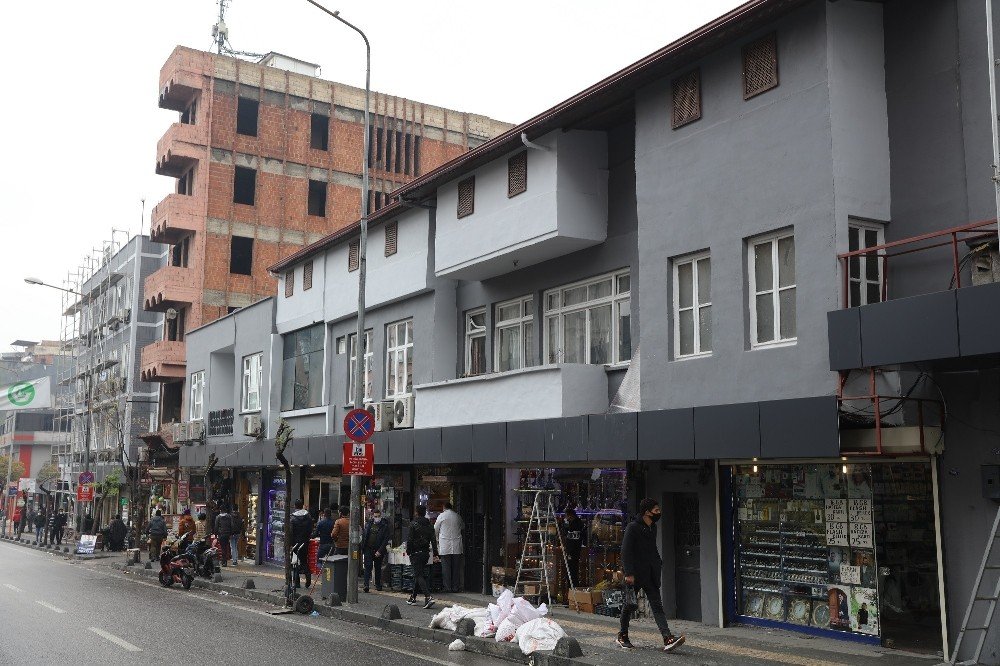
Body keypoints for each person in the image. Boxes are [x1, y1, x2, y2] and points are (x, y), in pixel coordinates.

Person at [618, 498, 684, 652]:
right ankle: (623, 635)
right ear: (647, 512)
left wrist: (657, 563)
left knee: (657, 606)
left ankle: (667, 638)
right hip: (635, 574)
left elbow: (651, 549)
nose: (659, 513)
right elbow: (625, 551)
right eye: (656, 511)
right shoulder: (632, 528)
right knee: (628, 606)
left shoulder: (652, 527)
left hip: (651, 573)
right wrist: (629, 573)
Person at [405, 505, 438, 609]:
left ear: (416, 512)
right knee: (418, 574)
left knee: (418, 575)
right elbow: (433, 540)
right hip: (425, 553)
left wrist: (408, 551)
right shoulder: (430, 525)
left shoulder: (413, 524)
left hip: (416, 553)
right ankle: (413, 597)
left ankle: (428, 597)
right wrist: (436, 554)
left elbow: (409, 540)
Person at [434, 503, 463, 593]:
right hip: (456, 545)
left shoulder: (441, 516)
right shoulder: (457, 516)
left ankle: (447, 587)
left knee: (446, 568)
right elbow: (462, 526)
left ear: (444, 507)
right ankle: (455, 587)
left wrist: (436, 539)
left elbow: (435, 528)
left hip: (445, 544)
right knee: (456, 568)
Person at [362, 508, 390, 592]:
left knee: (378, 568)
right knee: (368, 567)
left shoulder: (384, 526)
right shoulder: (368, 524)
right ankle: (366, 585)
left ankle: (378, 584)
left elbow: (385, 540)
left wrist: (380, 551)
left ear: (381, 516)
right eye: (375, 516)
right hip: (368, 549)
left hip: (378, 549)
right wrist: (363, 547)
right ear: (372, 516)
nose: (377, 518)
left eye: (378, 516)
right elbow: (365, 536)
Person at [289, 499, 314, 591]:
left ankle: (297, 582)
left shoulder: (292, 518)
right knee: (304, 560)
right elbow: (310, 530)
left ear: (295, 506)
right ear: (302, 505)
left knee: (294, 561)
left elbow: (291, 532)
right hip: (305, 542)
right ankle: (308, 579)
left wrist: (290, 543)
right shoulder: (308, 516)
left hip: (295, 543)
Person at [562, 507, 586, 587]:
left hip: (573, 551)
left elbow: (572, 539)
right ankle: (572, 587)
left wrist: (569, 552)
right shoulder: (577, 524)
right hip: (574, 550)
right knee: (572, 570)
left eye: (566, 516)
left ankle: (572, 587)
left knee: (571, 571)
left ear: (570, 515)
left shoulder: (575, 524)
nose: (566, 518)